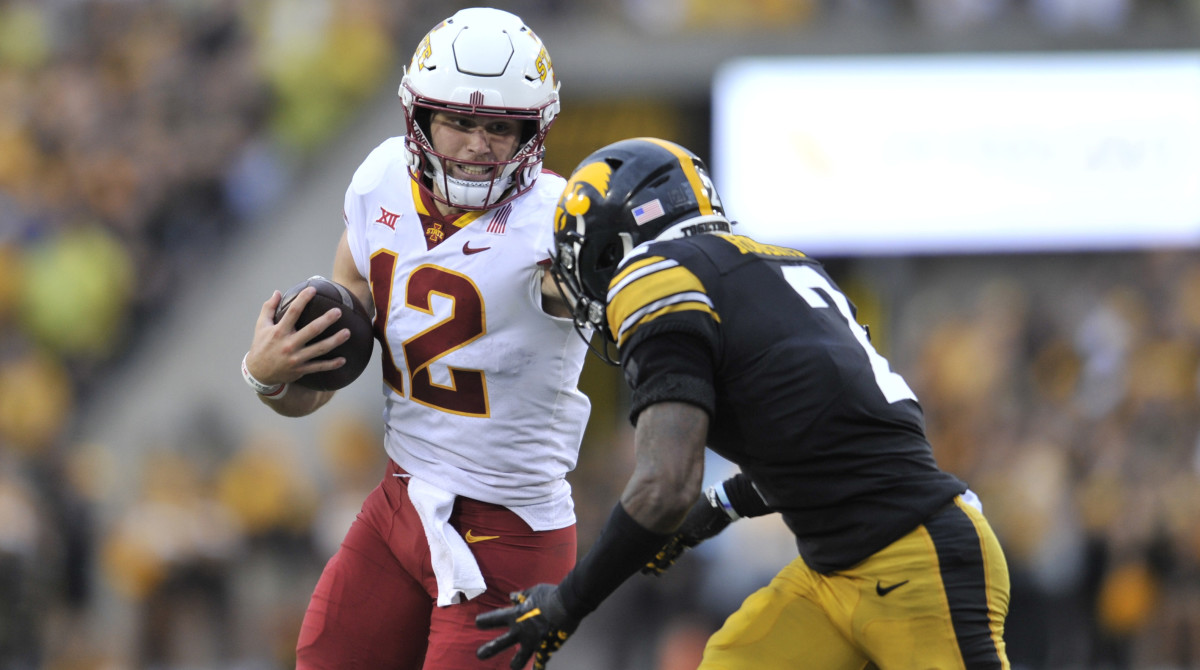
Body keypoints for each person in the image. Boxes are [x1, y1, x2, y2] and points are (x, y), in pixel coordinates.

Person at [476, 137, 1012, 669]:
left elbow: (665, 487)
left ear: (615, 244)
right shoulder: (784, 265)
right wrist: (718, 508)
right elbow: (823, 436)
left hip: (917, 559)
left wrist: (566, 604)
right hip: (835, 572)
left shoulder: (655, 275)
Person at [240, 8, 592, 668]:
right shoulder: (380, 181)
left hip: (510, 535)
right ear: (420, 117)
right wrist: (267, 374)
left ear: (533, 130)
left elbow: (619, 306)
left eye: (499, 127)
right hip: (400, 500)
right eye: (458, 120)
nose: (477, 144)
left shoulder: (560, 224)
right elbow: (321, 382)